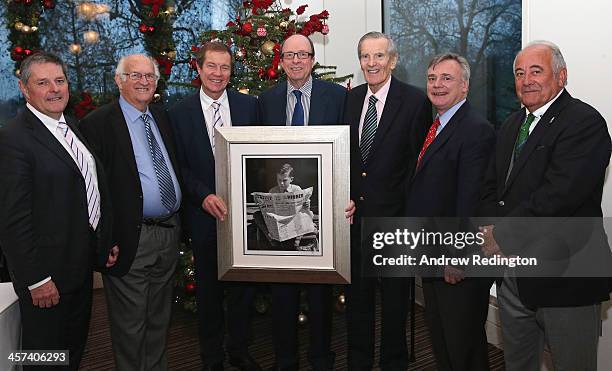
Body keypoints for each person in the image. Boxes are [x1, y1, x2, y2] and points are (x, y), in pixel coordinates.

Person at [479, 40, 612, 371]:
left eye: (536, 71)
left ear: (561, 76)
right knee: (518, 364)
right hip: (513, 276)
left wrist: (502, 236)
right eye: (520, 73)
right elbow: (494, 189)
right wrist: (486, 228)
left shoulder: (584, 122)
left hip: (565, 277)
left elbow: (558, 197)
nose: (527, 80)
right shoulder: (512, 125)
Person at [0, 52, 115, 370]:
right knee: (44, 359)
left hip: (78, 270)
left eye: (60, 80)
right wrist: (36, 280)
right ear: (24, 89)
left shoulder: (70, 127)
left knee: (72, 351)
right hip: (46, 278)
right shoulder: (13, 139)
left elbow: (89, 190)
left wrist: (102, 242)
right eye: (42, 82)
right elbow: (13, 221)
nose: (54, 89)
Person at [79, 54, 182, 371]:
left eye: (149, 76)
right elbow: (92, 190)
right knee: (130, 326)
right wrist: (104, 239)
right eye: (135, 75)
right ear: (118, 80)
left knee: (158, 321)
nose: (144, 81)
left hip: (168, 233)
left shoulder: (162, 117)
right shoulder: (98, 124)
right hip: (127, 239)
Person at [167, 42, 261, 371]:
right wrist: (203, 195)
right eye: (212, 67)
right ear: (198, 68)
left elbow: (261, 158)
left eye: (224, 67)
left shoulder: (250, 106)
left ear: (231, 71)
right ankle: (212, 358)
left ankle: (239, 349)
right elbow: (178, 165)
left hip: (244, 217)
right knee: (208, 293)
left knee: (243, 291)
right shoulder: (178, 113)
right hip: (204, 215)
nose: (218, 74)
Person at [257, 33, 346, 371]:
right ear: (280, 61)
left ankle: (322, 358)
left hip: (323, 205)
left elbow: (346, 151)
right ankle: (285, 359)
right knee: (283, 290)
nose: (295, 61)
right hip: (281, 205)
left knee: (320, 290)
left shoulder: (337, 97)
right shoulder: (267, 101)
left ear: (313, 59)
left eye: (302, 55)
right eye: (289, 55)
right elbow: (259, 158)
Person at [344, 31, 431, 370]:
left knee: (396, 306)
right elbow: (346, 159)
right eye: (366, 56)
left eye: (379, 56)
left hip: (395, 223)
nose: (372, 63)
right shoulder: (349, 101)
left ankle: (394, 363)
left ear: (392, 61)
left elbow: (418, 166)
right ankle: (359, 363)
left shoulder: (415, 102)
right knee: (358, 304)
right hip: (355, 222)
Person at [405, 53, 495, 371]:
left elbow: (471, 200)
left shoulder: (474, 130)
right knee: (444, 343)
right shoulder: (439, 126)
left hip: (457, 262)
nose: (437, 85)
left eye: (447, 78)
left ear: (465, 86)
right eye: (432, 78)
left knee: (464, 348)